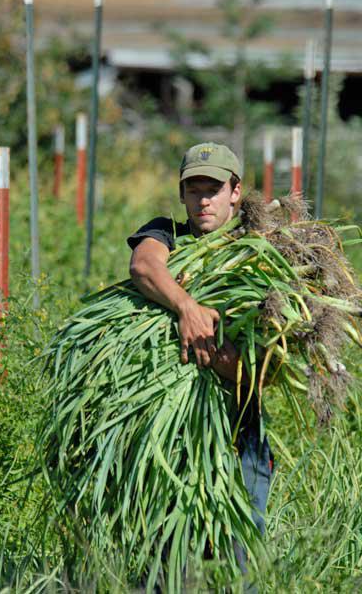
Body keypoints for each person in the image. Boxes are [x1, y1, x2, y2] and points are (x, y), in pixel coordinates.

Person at [127, 142, 273, 583]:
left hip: (238, 432)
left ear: (235, 191)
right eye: (194, 190)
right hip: (167, 436)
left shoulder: (260, 254)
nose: (203, 200)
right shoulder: (167, 233)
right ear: (182, 194)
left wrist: (217, 359)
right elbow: (145, 266)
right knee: (163, 558)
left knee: (236, 559)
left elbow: (269, 370)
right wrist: (188, 308)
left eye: (214, 188)